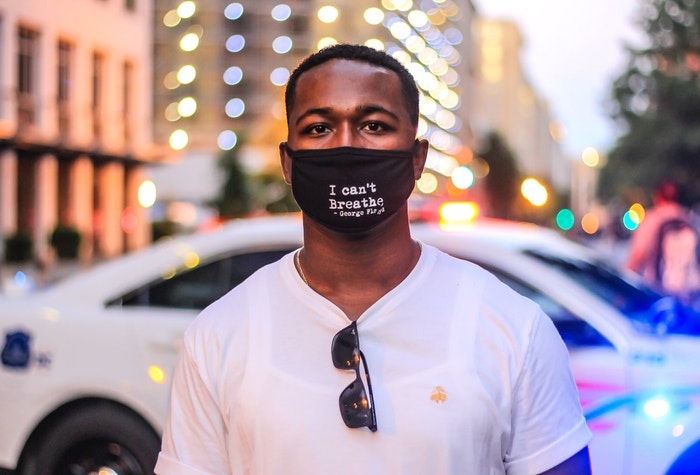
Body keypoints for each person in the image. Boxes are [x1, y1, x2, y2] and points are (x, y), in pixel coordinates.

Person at [155, 44, 591, 475]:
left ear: (417, 159)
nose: (346, 146)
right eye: (319, 128)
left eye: (375, 126)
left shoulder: (514, 329)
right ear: (288, 163)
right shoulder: (218, 336)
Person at [626, 180, 699, 298]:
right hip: (686, 294)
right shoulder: (689, 220)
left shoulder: (652, 219)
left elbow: (637, 256)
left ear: (658, 197)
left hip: (656, 292)